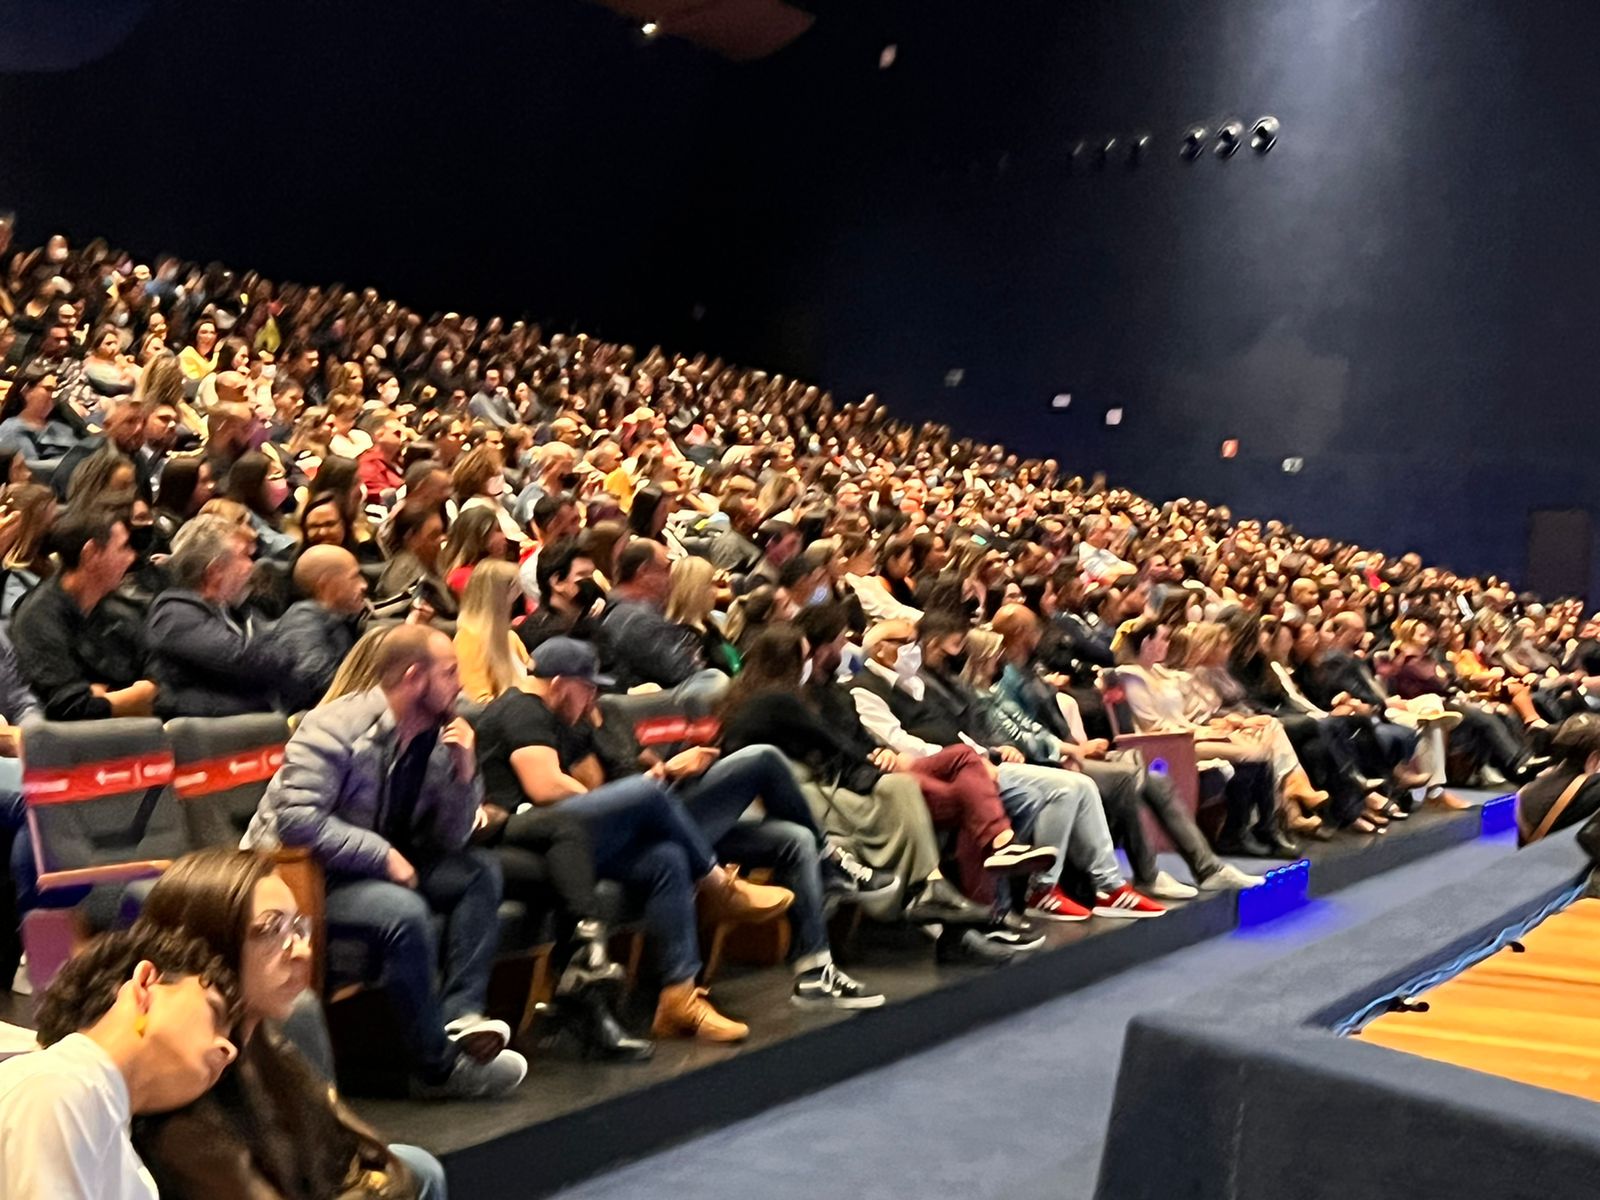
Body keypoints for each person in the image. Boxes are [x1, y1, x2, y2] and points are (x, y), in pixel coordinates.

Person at [474, 638, 826, 1036]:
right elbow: (546, 787)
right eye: (587, 687)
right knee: (646, 794)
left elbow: (587, 777)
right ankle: (717, 885)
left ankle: (678, 999)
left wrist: (627, 793)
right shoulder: (522, 709)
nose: (593, 697)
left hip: (565, 839)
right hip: (529, 841)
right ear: (558, 683)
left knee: (667, 859)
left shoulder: (560, 719)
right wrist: (623, 801)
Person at [243, 625, 527, 1098]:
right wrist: (384, 855)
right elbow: (296, 820)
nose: (461, 683)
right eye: (450, 672)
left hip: (376, 871)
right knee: (404, 912)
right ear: (415, 677)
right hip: (306, 878)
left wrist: (464, 772)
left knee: (479, 872)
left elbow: (453, 837)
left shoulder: (440, 737)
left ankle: (461, 1017)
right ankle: (437, 1072)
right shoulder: (335, 727)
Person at [133, 849, 448, 1200]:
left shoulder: (263, 1037)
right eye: (270, 930)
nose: (301, 951)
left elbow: (344, 1147)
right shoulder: (178, 1093)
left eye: (298, 927)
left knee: (417, 1168)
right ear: (205, 945)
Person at [0, 926, 238, 1200]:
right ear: (146, 984)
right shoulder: (60, 1089)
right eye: (214, 1012)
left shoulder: (108, 1126)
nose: (229, 1050)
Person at [11, 507, 159, 720]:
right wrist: (139, 695)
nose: (131, 557)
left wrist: (112, 697)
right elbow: (70, 706)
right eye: (123, 548)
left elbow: (161, 667)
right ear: (90, 554)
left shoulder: (115, 604)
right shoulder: (37, 618)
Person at [144, 514, 293, 718]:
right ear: (215, 572)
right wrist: (286, 654)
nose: (252, 566)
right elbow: (246, 660)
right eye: (244, 556)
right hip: (203, 741)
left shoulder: (237, 612)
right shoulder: (174, 614)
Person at [273, 545, 370, 713]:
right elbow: (318, 681)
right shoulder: (302, 620)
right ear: (326, 584)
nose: (364, 585)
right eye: (354, 577)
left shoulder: (337, 617)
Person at [598, 540, 704, 689]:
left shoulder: (616, 604)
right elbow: (687, 671)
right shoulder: (637, 620)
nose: (671, 578)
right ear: (644, 571)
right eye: (666, 568)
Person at [454, 559, 531, 703]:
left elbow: (532, 679)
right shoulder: (468, 639)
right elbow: (478, 698)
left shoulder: (511, 637)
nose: (513, 608)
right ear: (497, 600)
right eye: (513, 600)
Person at [665, 554, 741, 674]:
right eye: (710, 584)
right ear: (694, 591)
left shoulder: (713, 621)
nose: (715, 592)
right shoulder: (684, 641)